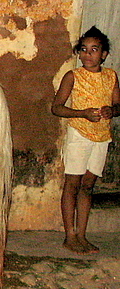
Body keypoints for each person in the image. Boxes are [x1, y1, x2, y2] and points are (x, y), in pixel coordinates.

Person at [51, 26, 120, 254]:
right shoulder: (73, 76)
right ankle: (69, 235)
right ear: (78, 53)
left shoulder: (111, 76)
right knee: (72, 185)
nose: (88, 54)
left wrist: (112, 111)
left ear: (104, 54)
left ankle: (82, 235)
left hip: (101, 137)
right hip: (79, 135)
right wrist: (82, 113)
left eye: (94, 50)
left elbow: (118, 105)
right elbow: (57, 108)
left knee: (88, 186)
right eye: (84, 50)